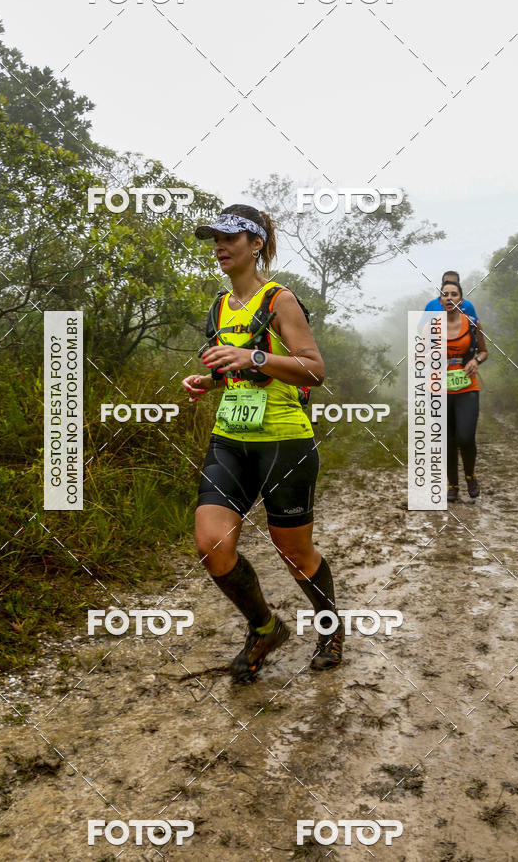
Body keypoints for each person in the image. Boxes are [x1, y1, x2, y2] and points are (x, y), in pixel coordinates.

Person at [181, 204, 343, 682]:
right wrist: (207, 381)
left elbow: (314, 369)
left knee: (295, 553)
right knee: (211, 544)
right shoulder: (219, 306)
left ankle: (330, 629)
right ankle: (265, 629)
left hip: (284, 442)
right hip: (230, 439)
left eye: (230, 238)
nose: (219, 247)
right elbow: (234, 371)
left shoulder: (280, 300)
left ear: (256, 244)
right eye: (215, 239)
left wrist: (252, 356)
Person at [441, 280, 488, 501]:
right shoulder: (431, 327)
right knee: (448, 440)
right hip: (440, 390)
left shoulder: (472, 323)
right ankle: (453, 484)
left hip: (468, 386)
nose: (449, 298)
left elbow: (484, 351)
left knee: (466, 437)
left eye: (454, 294)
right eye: (445, 294)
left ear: (461, 300)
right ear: (440, 300)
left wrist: (475, 361)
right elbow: (418, 356)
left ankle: (470, 476)